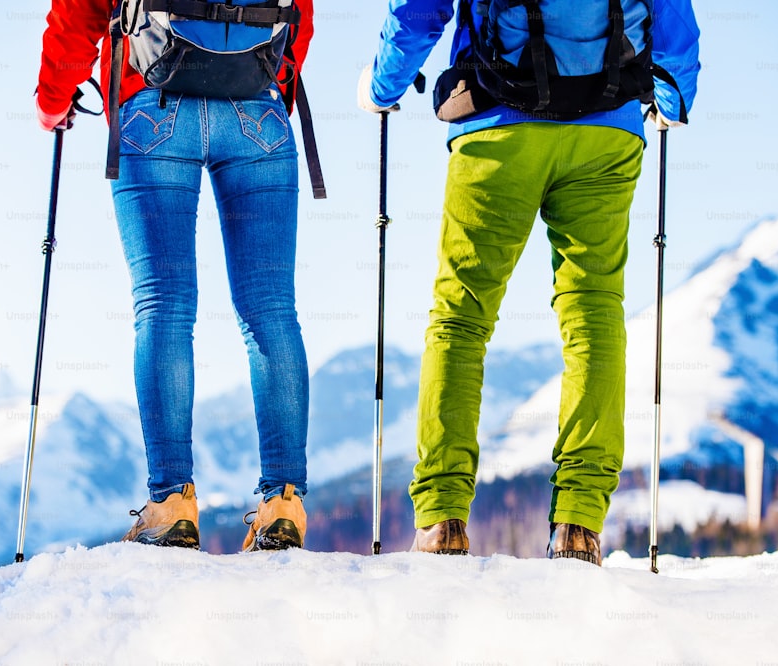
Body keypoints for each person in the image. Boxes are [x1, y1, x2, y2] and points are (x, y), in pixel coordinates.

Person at [358, 0, 700, 563]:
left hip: (497, 122)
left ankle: (442, 521)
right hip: (607, 127)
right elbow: (674, 21)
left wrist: (383, 85)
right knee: (593, 312)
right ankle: (578, 526)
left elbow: (420, 9)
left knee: (461, 318)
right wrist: (672, 102)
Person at [35, 0, 314, 551]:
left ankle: (170, 505)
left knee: (164, 305)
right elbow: (300, 11)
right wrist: (269, 75)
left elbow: (76, 14)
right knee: (271, 306)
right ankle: (283, 502)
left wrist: (51, 101)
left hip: (153, 101)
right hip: (256, 107)